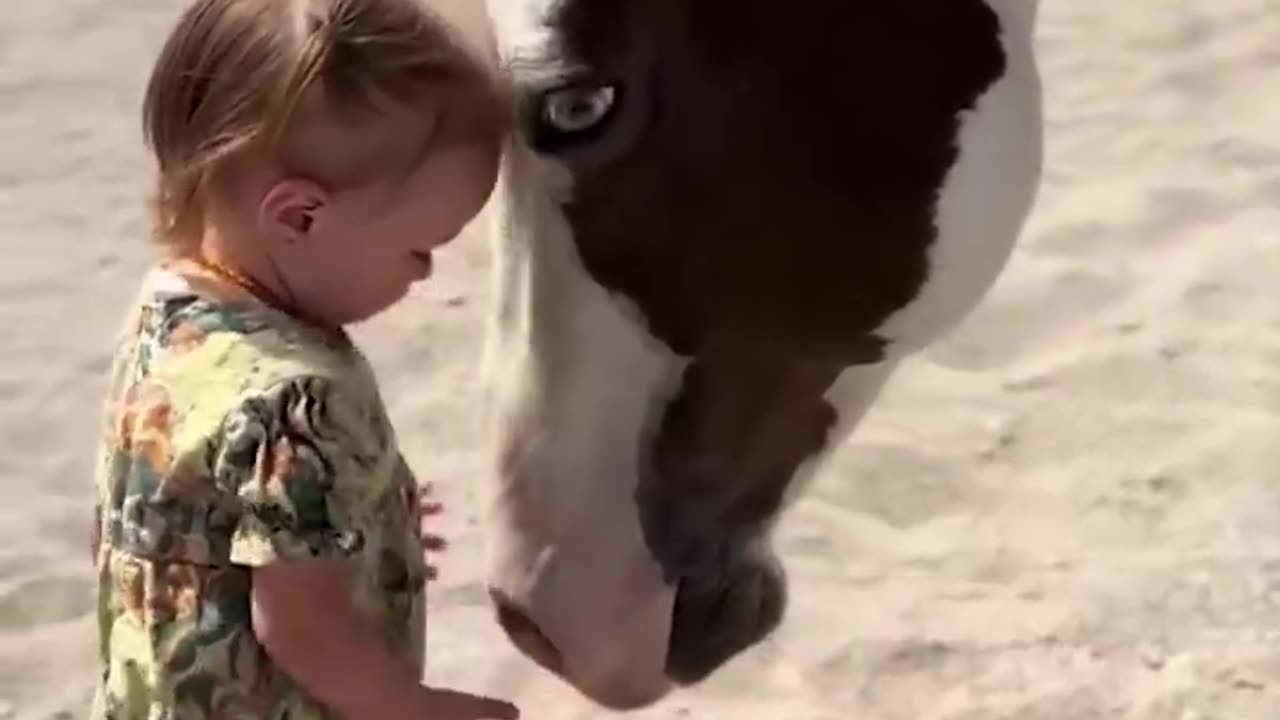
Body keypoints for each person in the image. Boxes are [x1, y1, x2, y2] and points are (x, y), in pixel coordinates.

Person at [88, 0, 517, 717]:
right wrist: (420, 708)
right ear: (299, 217)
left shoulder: (169, 316)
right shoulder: (294, 401)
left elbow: (196, 499)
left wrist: (360, 518)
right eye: (421, 248)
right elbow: (301, 631)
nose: (425, 276)